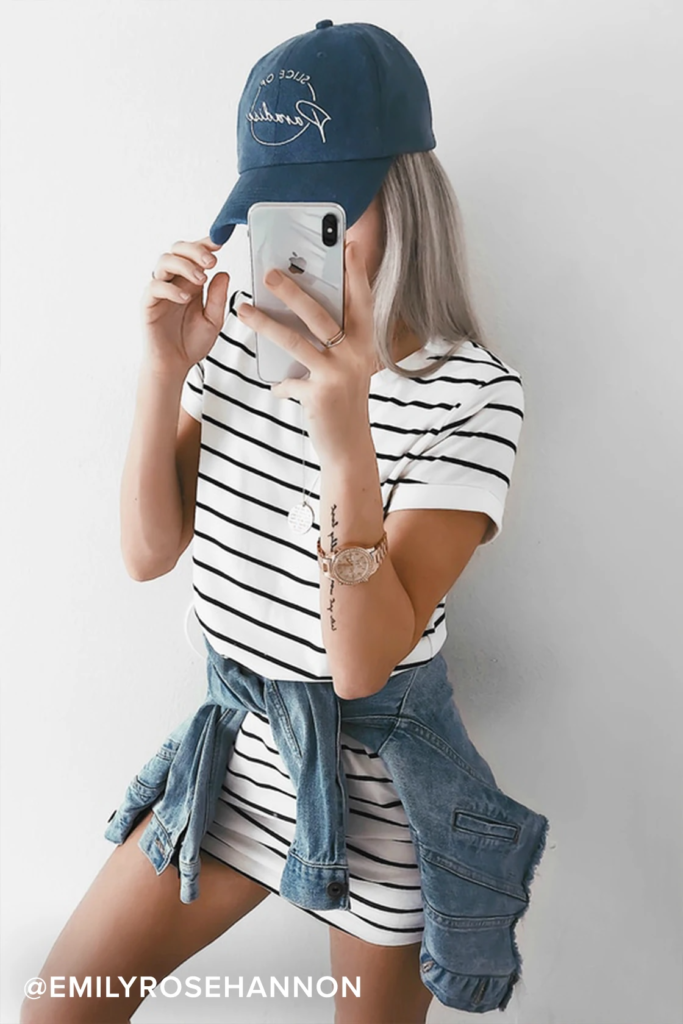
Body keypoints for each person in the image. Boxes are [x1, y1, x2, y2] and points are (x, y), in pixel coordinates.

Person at [20, 19, 539, 1024]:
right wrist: (165, 366)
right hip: (238, 747)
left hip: (383, 777)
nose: (298, 242)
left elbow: (358, 664)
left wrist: (345, 434)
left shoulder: (471, 394)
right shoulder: (236, 344)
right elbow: (146, 552)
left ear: (408, 195)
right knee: (59, 1008)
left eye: (332, 210)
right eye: (276, 210)